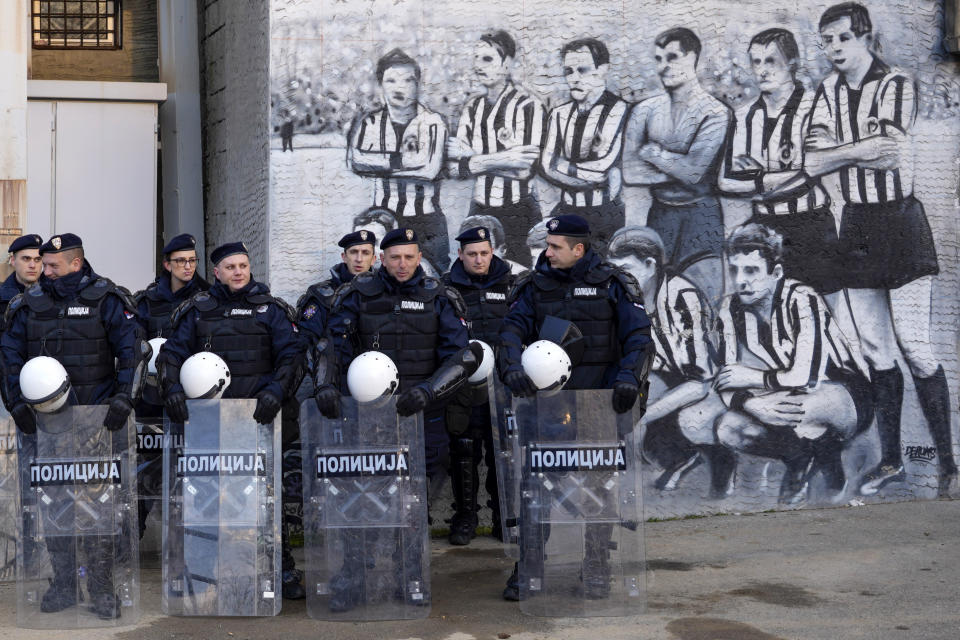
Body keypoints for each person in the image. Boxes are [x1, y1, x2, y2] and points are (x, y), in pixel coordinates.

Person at [799, 2, 955, 496]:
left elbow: (888, 156)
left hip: (902, 225)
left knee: (916, 345)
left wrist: (836, 151)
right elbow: (810, 162)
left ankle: (949, 466)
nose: (834, 50)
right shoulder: (824, 90)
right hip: (858, 226)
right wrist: (856, 148)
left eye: (843, 38)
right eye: (827, 41)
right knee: (877, 351)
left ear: (864, 37)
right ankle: (893, 461)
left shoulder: (896, 83)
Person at [314, 228, 480, 610]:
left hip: (424, 418)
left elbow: (463, 357)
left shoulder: (440, 297)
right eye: (394, 257)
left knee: (412, 505)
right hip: (367, 418)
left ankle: (410, 578)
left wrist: (428, 392)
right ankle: (353, 580)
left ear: (419, 256)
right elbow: (331, 346)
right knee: (360, 499)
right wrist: (325, 385)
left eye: (409, 257)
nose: (402, 264)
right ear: (381, 259)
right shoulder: (357, 295)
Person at [497, 214, 653, 601]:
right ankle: (530, 563)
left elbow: (640, 338)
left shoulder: (615, 284)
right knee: (536, 488)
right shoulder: (533, 286)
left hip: (600, 406)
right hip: (547, 407)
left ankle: (597, 564)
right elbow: (511, 331)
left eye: (555, 247)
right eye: (548, 246)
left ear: (578, 249)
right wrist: (512, 368)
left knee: (599, 490)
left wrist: (630, 378)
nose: (547, 253)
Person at [2, 233, 150, 619]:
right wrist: (15, 403)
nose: (43, 272)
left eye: (51, 266)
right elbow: (8, 357)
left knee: (100, 509)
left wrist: (124, 398)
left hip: (98, 424)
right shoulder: (27, 305)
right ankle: (65, 583)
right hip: (47, 426)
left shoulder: (107, 299)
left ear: (76, 264)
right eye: (42, 265)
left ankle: (102, 587)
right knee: (54, 505)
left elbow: (134, 351)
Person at [156, 241, 307, 600]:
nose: (239, 271)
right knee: (209, 497)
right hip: (211, 423)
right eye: (231, 267)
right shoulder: (197, 311)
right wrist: (172, 389)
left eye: (243, 265)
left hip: (261, 420)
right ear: (218, 273)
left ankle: (280, 568)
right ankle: (204, 570)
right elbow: (171, 355)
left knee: (268, 497)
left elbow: (292, 356)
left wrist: (276, 392)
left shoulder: (271, 310)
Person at [706, 224, 872, 504]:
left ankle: (827, 459)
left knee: (797, 408)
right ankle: (799, 456)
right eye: (734, 270)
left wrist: (751, 378)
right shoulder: (730, 309)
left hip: (846, 394)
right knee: (728, 429)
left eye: (751, 271)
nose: (740, 281)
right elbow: (725, 380)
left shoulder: (801, 299)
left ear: (776, 273)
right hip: (792, 395)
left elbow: (805, 377)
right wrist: (752, 404)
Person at [717, 28, 840, 296]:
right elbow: (725, 182)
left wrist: (754, 177)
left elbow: (810, 174)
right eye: (756, 62)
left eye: (771, 61)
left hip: (812, 226)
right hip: (763, 228)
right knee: (772, 317)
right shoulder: (743, 116)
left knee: (827, 317)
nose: (762, 70)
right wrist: (776, 178)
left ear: (792, 63)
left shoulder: (816, 108)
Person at [622, 27, 729, 306]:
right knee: (655, 305)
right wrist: (678, 167)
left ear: (693, 57)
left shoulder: (715, 112)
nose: (663, 67)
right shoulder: (644, 110)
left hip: (701, 219)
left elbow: (693, 173)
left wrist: (654, 153)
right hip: (660, 218)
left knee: (705, 305)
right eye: (658, 59)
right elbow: (631, 172)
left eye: (672, 57)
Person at [605, 227, 717, 494]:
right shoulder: (621, 298)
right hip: (658, 377)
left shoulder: (681, 297)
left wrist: (642, 417)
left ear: (650, 265)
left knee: (639, 405)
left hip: (703, 383)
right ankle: (669, 459)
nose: (618, 277)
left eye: (625, 268)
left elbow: (701, 380)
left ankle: (704, 457)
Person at [132, 233, 210, 539]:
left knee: (192, 470)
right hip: (152, 398)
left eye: (192, 260)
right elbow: (136, 345)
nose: (188, 267)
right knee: (146, 470)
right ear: (167, 264)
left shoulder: (208, 297)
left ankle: (191, 539)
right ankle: (135, 534)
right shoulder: (148, 301)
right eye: (180, 261)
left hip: (194, 395)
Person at [442, 226, 516, 545]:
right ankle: (466, 518)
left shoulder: (512, 284)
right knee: (464, 450)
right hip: (463, 384)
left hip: (503, 382)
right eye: (472, 254)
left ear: (493, 252)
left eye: (484, 253)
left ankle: (503, 517)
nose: (479, 259)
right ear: (460, 255)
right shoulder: (446, 288)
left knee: (503, 450)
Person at [446, 30, 545, 269]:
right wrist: (506, 158)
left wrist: (472, 158)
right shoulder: (472, 108)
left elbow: (524, 169)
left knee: (520, 275)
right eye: (477, 58)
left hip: (519, 210)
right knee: (477, 274)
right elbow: (453, 168)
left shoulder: (528, 106)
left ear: (508, 62)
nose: (479, 65)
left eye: (487, 59)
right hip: (480, 207)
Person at [348, 49, 451, 272]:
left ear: (418, 85)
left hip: (426, 220)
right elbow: (355, 160)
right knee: (380, 283)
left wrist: (377, 165)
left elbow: (429, 169)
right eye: (391, 80)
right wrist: (404, 162)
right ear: (380, 85)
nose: (399, 87)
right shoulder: (371, 123)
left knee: (432, 282)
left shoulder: (433, 122)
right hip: (383, 218)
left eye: (407, 81)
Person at [540, 38, 630, 253]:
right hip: (567, 211)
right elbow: (546, 166)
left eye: (582, 70)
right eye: (569, 71)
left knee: (599, 276)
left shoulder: (619, 110)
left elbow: (602, 167)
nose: (574, 78)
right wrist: (587, 179)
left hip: (604, 215)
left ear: (602, 70)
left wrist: (562, 166)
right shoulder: (559, 114)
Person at [297, 230, 378, 349]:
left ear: (373, 259)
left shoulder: (384, 292)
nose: (359, 259)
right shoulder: (321, 295)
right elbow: (306, 339)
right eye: (354, 252)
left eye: (365, 253)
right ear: (344, 257)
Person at [458, 214, 527, 275]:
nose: (478, 261)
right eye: (472, 254)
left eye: (485, 253)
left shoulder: (521, 280)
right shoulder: (450, 281)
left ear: (502, 250)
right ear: (461, 254)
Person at [0, 234, 42, 333]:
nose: (32, 265)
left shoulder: (53, 294)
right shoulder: (2, 297)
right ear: (13, 261)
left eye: (37, 259)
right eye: (26, 259)